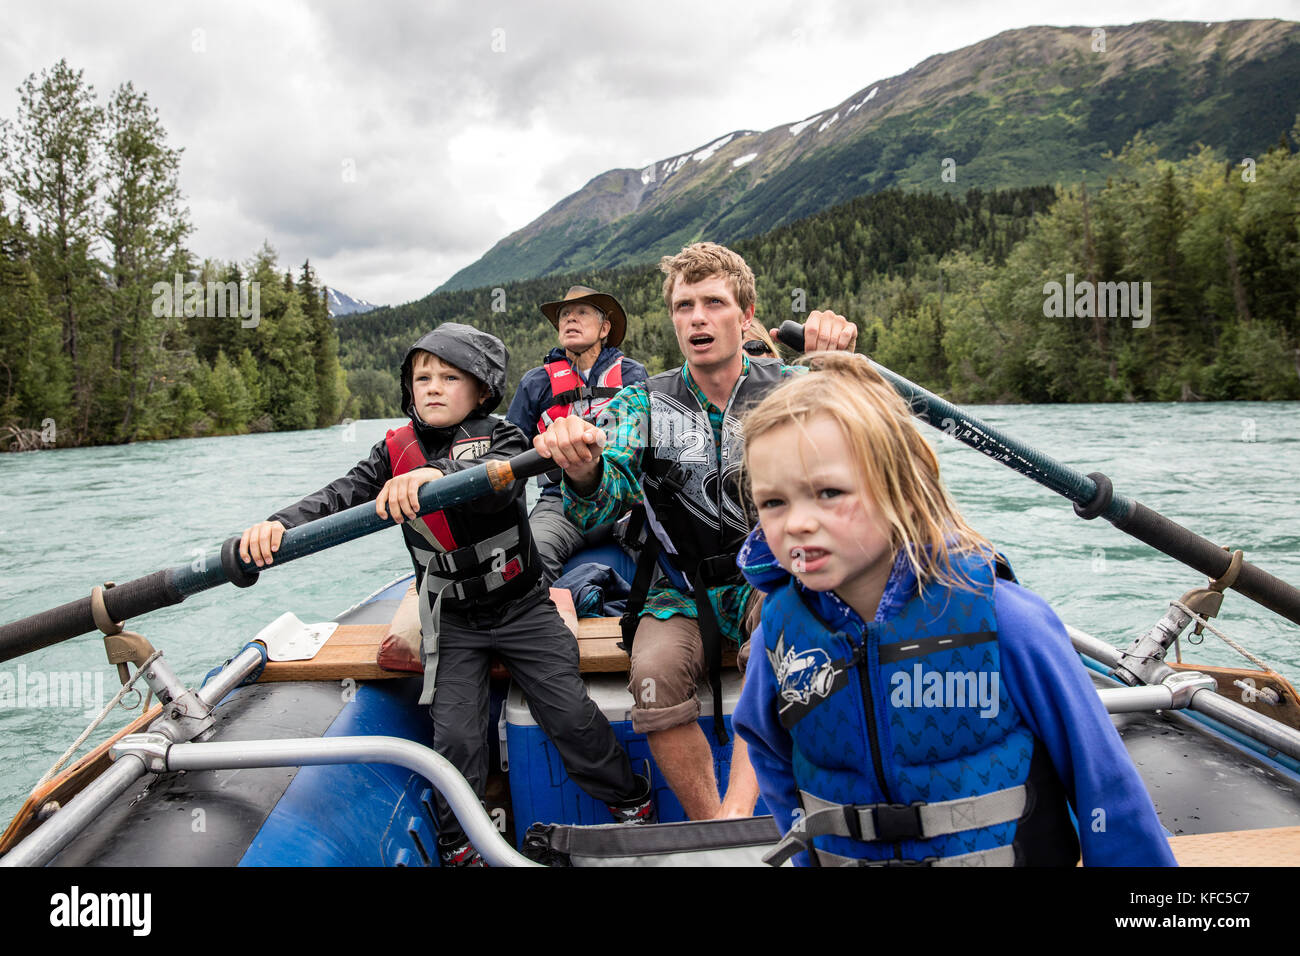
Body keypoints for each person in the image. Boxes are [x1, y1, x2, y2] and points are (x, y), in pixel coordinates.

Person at [733, 352, 1177, 866]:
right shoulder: (780, 638)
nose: (797, 524)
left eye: (829, 493)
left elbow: (1104, 786)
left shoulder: (1007, 623)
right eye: (773, 503)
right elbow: (772, 759)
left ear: (898, 487)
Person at [238, 323, 652, 866]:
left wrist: (434, 474)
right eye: (421, 377)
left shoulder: (504, 438)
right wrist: (278, 524)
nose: (431, 386)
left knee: (570, 716)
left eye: (449, 376)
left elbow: (486, 485)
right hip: (452, 617)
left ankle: (632, 801)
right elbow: (340, 496)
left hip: (523, 606)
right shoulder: (391, 453)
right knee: (455, 738)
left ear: (480, 389)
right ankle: (461, 842)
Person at [533, 242, 857, 821]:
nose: (697, 317)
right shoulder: (641, 403)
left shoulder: (793, 390)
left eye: (713, 302)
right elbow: (596, 504)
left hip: (775, 578)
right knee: (653, 678)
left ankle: (738, 819)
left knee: (781, 650)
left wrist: (840, 367)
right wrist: (583, 471)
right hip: (677, 588)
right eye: (684, 306)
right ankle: (713, 829)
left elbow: (866, 450)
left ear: (746, 313)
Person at [506, 286, 648, 585]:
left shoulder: (633, 375)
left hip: (625, 500)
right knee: (530, 557)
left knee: (668, 550)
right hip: (559, 502)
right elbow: (509, 450)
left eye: (581, 312)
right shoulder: (536, 382)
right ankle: (540, 626)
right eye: (564, 315)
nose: (570, 319)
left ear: (604, 328)